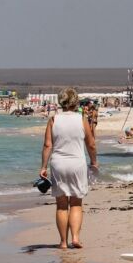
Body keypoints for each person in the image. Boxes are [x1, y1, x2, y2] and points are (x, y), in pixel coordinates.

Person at [40, 88, 98, 250]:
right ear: (75, 102)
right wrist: (94, 162)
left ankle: (63, 242)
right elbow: (91, 144)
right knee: (76, 203)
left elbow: (47, 145)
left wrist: (43, 167)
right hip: (77, 163)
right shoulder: (82, 119)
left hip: (58, 163)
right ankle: (75, 238)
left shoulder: (53, 120)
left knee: (61, 204)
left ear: (61, 102)